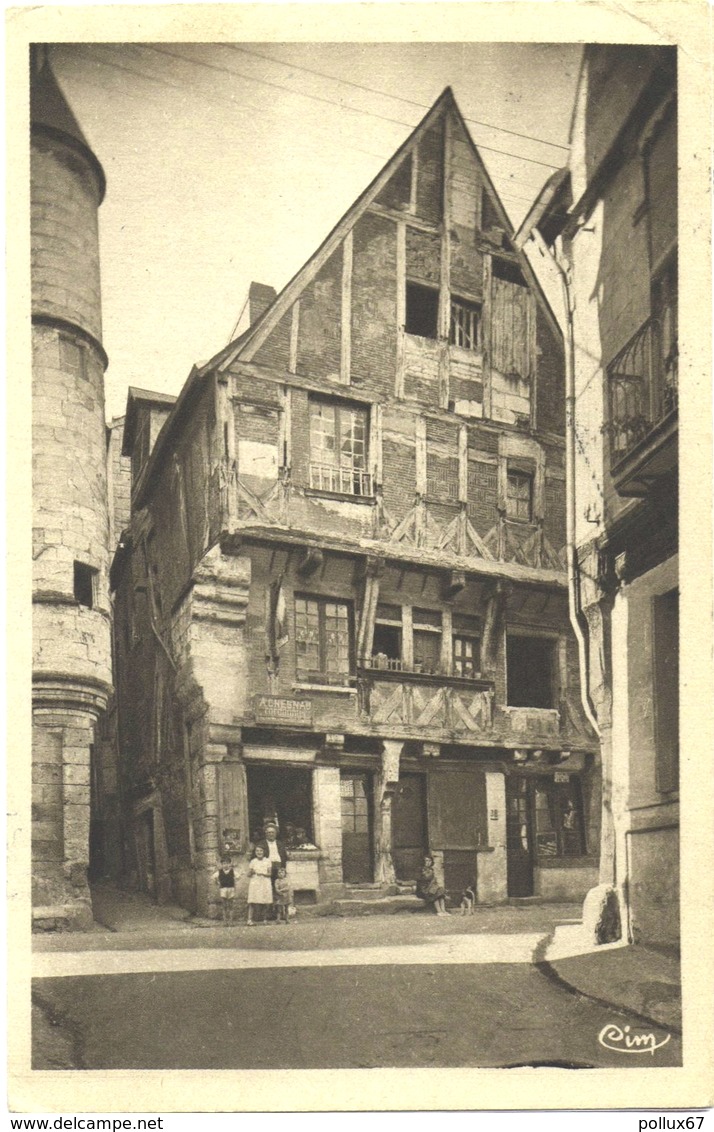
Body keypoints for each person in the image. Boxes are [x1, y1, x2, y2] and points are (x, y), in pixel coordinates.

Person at [246, 845, 273, 926]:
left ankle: (265, 919)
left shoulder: (268, 861)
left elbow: (269, 874)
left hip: (265, 882)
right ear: (255, 852)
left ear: (264, 852)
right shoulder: (253, 861)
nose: (259, 852)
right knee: (252, 901)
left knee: (265, 900)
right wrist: (252, 872)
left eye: (261, 851)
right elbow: (248, 874)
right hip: (255, 883)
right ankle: (249, 919)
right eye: (257, 851)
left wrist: (262, 873)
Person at [213, 855, 237, 925]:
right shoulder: (219, 872)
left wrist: (234, 883)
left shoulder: (233, 871)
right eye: (224, 863)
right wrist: (217, 883)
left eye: (227, 863)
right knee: (224, 905)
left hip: (231, 889)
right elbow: (214, 877)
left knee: (230, 905)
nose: (225, 865)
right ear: (221, 864)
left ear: (230, 864)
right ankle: (225, 921)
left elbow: (238, 877)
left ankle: (231, 921)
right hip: (223, 889)